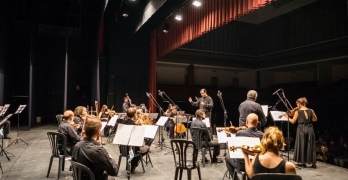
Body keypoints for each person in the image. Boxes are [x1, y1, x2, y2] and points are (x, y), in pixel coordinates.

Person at [225, 113, 263, 177]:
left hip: (242, 165)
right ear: (257, 123)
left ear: (246, 122)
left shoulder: (240, 133)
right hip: (257, 165)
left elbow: (236, 150)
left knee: (227, 157)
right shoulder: (262, 135)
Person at [286, 97, 317, 168]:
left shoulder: (298, 112)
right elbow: (315, 119)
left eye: (297, 104)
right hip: (310, 128)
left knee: (302, 144)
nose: (297, 106)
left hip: (301, 128)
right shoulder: (311, 110)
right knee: (310, 144)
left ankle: (302, 162)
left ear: (299, 104)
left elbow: (293, 121)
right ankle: (312, 162)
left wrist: (286, 117)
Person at [121, 107, 149, 173]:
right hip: (132, 149)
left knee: (135, 148)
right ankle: (133, 164)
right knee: (147, 148)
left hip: (123, 149)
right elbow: (138, 138)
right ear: (134, 115)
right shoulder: (135, 125)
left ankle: (130, 164)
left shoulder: (123, 123)